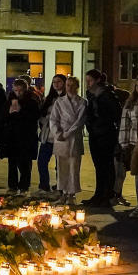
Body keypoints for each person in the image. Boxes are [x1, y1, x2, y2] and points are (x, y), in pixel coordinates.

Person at [84, 69, 122, 207]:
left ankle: (107, 196)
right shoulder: (91, 94)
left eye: (90, 81)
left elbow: (116, 114)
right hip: (95, 133)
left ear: (98, 80)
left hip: (106, 134)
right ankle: (98, 194)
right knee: (99, 166)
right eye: (87, 80)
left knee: (107, 165)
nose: (87, 83)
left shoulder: (107, 95)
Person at [50, 76, 87, 204]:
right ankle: (63, 193)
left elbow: (79, 122)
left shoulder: (82, 102)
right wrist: (57, 132)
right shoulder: (59, 102)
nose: (69, 88)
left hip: (73, 137)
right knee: (61, 167)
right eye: (67, 85)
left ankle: (71, 194)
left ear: (77, 87)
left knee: (74, 167)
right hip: (60, 137)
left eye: (72, 85)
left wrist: (66, 134)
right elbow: (53, 119)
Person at [0, 79, 40, 194]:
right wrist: (9, 113)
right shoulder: (9, 102)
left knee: (25, 164)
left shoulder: (31, 102)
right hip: (12, 137)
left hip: (25, 137)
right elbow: (2, 117)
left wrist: (20, 112)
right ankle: (12, 186)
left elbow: (34, 117)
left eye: (21, 91)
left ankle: (24, 186)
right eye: (16, 90)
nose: (18, 93)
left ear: (25, 90)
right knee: (12, 163)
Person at [120, 75, 138, 215]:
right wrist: (124, 144)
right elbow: (125, 124)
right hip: (135, 142)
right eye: (137, 85)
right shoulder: (131, 103)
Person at [35, 74, 66, 196]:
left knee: (60, 165)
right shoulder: (49, 99)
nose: (56, 84)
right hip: (47, 135)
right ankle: (44, 185)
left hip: (60, 136)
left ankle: (60, 186)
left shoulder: (67, 99)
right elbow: (42, 115)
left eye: (59, 82)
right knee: (42, 161)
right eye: (54, 82)